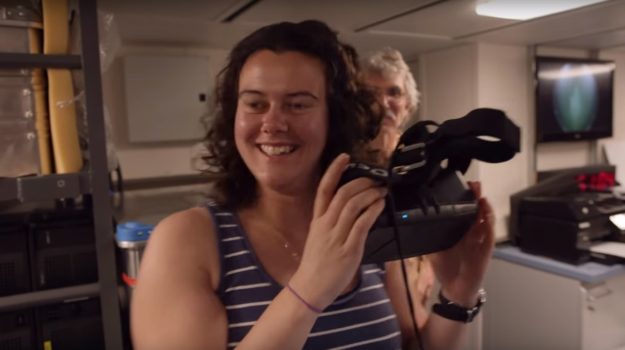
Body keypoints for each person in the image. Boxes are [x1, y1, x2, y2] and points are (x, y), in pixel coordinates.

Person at [131, 20, 494, 350]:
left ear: (333, 121)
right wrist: (310, 288)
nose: (273, 123)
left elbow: (414, 344)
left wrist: (458, 297)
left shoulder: (365, 223)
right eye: (255, 104)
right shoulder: (185, 240)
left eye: (298, 104)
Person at [361, 47, 495, 347]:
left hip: (420, 288)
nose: (384, 104)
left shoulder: (425, 164)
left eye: (393, 93)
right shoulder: (349, 167)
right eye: (371, 94)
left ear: (407, 105)